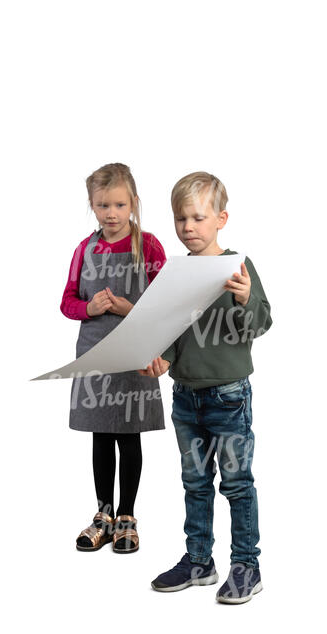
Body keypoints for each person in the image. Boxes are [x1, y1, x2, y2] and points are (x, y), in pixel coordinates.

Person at [138, 172, 272, 604]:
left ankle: (246, 565)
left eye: (197, 217)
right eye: (181, 218)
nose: (188, 227)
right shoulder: (177, 273)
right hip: (186, 399)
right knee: (195, 483)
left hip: (228, 397)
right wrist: (163, 359)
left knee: (236, 482)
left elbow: (260, 324)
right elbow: (176, 331)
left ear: (221, 219)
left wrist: (244, 298)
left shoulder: (237, 267)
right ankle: (199, 560)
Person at [61, 163, 166, 553]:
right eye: (103, 205)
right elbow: (67, 301)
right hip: (94, 352)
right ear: (92, 205)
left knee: (129, 433)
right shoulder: (84, 249)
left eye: (119, 204)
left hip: (136, 354)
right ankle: (102, 514)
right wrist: (88, 309)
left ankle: (126, 515)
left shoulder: (149, 246)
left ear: (134, 204)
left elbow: (166, 304)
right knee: (101, 433)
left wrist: (127, 309)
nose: (111, 213)